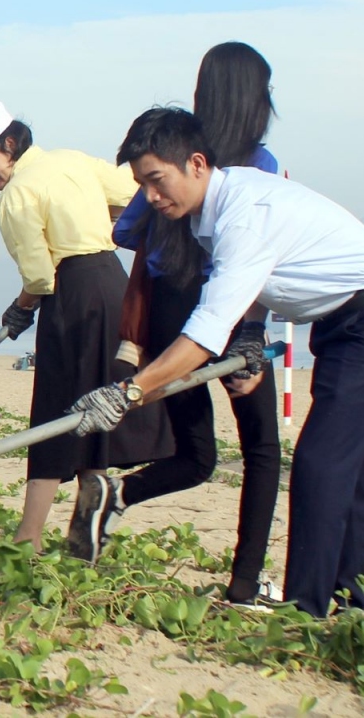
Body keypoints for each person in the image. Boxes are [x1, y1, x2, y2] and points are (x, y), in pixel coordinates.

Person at [72, 108, 364, 618]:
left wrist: (127, 393)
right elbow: (253, 285)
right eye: (142, 184)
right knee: (358, 464)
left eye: (156, 181)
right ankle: (355, 599)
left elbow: (205, 334)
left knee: (322, 462)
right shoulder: (212, 209)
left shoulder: (243, 213)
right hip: (342, 323)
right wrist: (254, 336)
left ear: (195, 163)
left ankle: (306, 610)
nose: (149, 197)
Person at [98, 44, 286, 606]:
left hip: (168, 314)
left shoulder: (177, 153)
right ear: (256, 96)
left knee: (198, 454)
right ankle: (245, 583)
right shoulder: (257, 161)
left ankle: (119, 490)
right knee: (261, 450)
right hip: (224, 311)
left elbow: (126, 232)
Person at [0, 100, 171, 555]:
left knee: (55, 413)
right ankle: (85, 528)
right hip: (116, 285)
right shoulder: (71, 160)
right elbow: (136, 195)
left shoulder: (15, 197)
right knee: (99, 406)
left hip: (71, 297)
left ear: (9, 144)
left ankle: (28, 537)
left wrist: (20, 307)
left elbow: (38, 275)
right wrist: (103, 223)